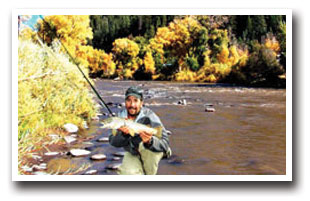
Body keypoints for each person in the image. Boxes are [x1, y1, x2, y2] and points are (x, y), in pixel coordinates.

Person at [109, 86, 171, 175]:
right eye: (128, 100)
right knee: (126, 173)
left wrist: (150, 141)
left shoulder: (150, 116)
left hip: (151, 150)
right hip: (133, 152)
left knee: (148, 169)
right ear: (125, 102)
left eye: (135, 100)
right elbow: (113, 142)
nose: (132, 105)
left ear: (141, 103)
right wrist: (123, 135)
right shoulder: (120, 117)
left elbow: (165, 143)